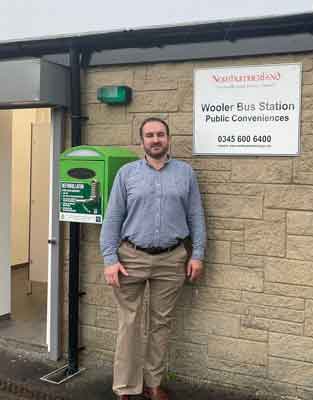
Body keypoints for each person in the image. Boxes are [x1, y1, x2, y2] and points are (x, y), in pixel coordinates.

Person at [100, 117, 206, 400]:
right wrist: (110, 258)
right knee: (129, 324)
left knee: (161, 324)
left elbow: (196, 216)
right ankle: (125, 387)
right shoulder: (127, 174)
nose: (155, 139)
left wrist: (197, 254)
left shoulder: (185, 173)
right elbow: (112, 218)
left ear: (168, 138)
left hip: (172, 260)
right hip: (130, 258)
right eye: (150, 135)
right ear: (142, 141)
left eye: (160, 134)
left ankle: (152, 384)